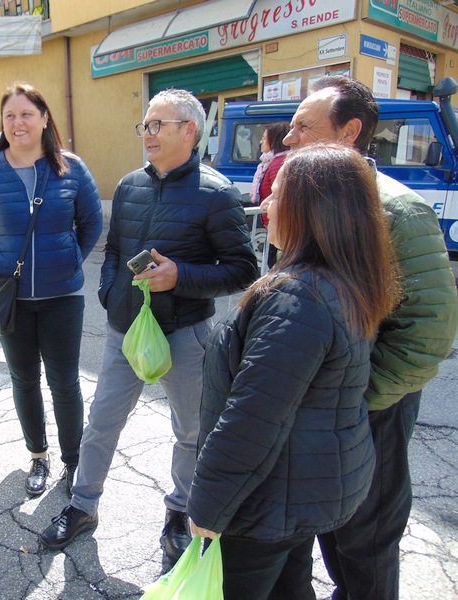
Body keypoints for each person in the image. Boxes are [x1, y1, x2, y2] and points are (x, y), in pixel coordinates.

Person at [40, 88, 259, 562]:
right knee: (101, 423)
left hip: (185, 333)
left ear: (189, 131)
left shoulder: (217, 194)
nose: (148, 134)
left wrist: (181, 276)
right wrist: (108, 290)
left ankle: (180, 511)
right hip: (125, 330)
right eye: (145, 125)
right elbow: (114, 249)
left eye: (158, 124)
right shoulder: (129, 185)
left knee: (191, 431)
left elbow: (243, 270)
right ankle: (82, 505)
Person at [188, 142, 402, 600]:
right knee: (290, 585)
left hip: (266, 502)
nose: (264, 203)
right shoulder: (348, 279)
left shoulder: (298, 298)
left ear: (312, 211)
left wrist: (207, 508)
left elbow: (251, 422)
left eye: (278, 194)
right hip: (305, 490)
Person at [278, 76, 458, 600]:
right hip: (309, 405)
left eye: (303, 127)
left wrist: (357, 399)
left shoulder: (396, 211)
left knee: (364, 542)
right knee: (307, 528)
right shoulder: (303, 201)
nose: (288, 139)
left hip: (368, 409)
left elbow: (425, 337)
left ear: (349, 131)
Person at [0, 82, 103, 498]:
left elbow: (91, 223)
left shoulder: (70, 168)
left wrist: (70, 258)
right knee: (23, 380)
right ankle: (38, 456)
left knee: (65, 382)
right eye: (9, 116)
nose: (17, 123)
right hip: (11, 299)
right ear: (1, 124)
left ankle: (72, 462)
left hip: (62, 296)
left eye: (26, 114)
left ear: (44, 119)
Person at [250, 122, 290, 268]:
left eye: (264, 137)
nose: (261, 141)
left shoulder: (278, 163)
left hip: (279, 225)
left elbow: (281, 195)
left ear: (273, 140)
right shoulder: (275, 162)